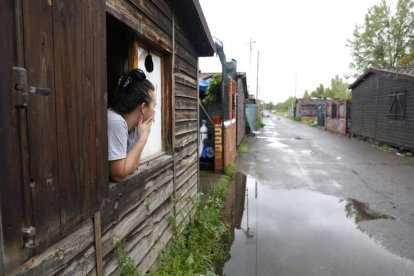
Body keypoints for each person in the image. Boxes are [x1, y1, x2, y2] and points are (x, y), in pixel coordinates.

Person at [107, 69, 156, 182]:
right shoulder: (116, 121)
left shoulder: (134, 128)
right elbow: (118, 174)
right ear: (143, 107)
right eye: (154, 105)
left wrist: (141, 135)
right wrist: (143, 138)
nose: (155, 112)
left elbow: (134, 166)